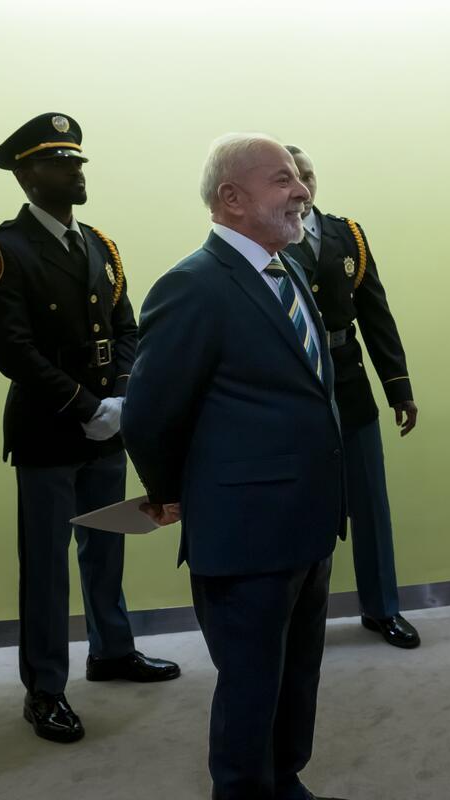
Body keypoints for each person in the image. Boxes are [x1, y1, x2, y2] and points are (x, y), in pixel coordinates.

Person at [121, 133, 348, 800]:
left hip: (308, 520)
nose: (302, 191)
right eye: (283, 180)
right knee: (251, 685)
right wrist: (171, 493)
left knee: (297, 674)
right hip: (244, 530)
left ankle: (287, 781)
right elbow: (149, 415)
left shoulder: (288, 270)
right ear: (232, 198)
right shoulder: (192, 286)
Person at [0, 113, 180, 745]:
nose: (77, 172)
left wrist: (120, 396)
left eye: (78, 162)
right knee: (46, 565)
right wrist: (86, 406)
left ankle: (112, 651)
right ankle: (44, 687)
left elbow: (127, 327)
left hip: (108, 423)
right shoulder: (1, 249)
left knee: (107, 545)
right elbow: (11, 349)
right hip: (49, 427)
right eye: (60, 163)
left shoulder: (99, 245)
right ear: (26, 175)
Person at [282, 145, 420, 649]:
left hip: (350, 383)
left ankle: (382, 608)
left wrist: (398, 388)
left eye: (308, 174)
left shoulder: (348, 236)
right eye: (291, 177)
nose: (303, 185)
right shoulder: (266, 238)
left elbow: (376, 315)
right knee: (299, 506)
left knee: (370, 504)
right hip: (296, 390)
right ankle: (296, 616)